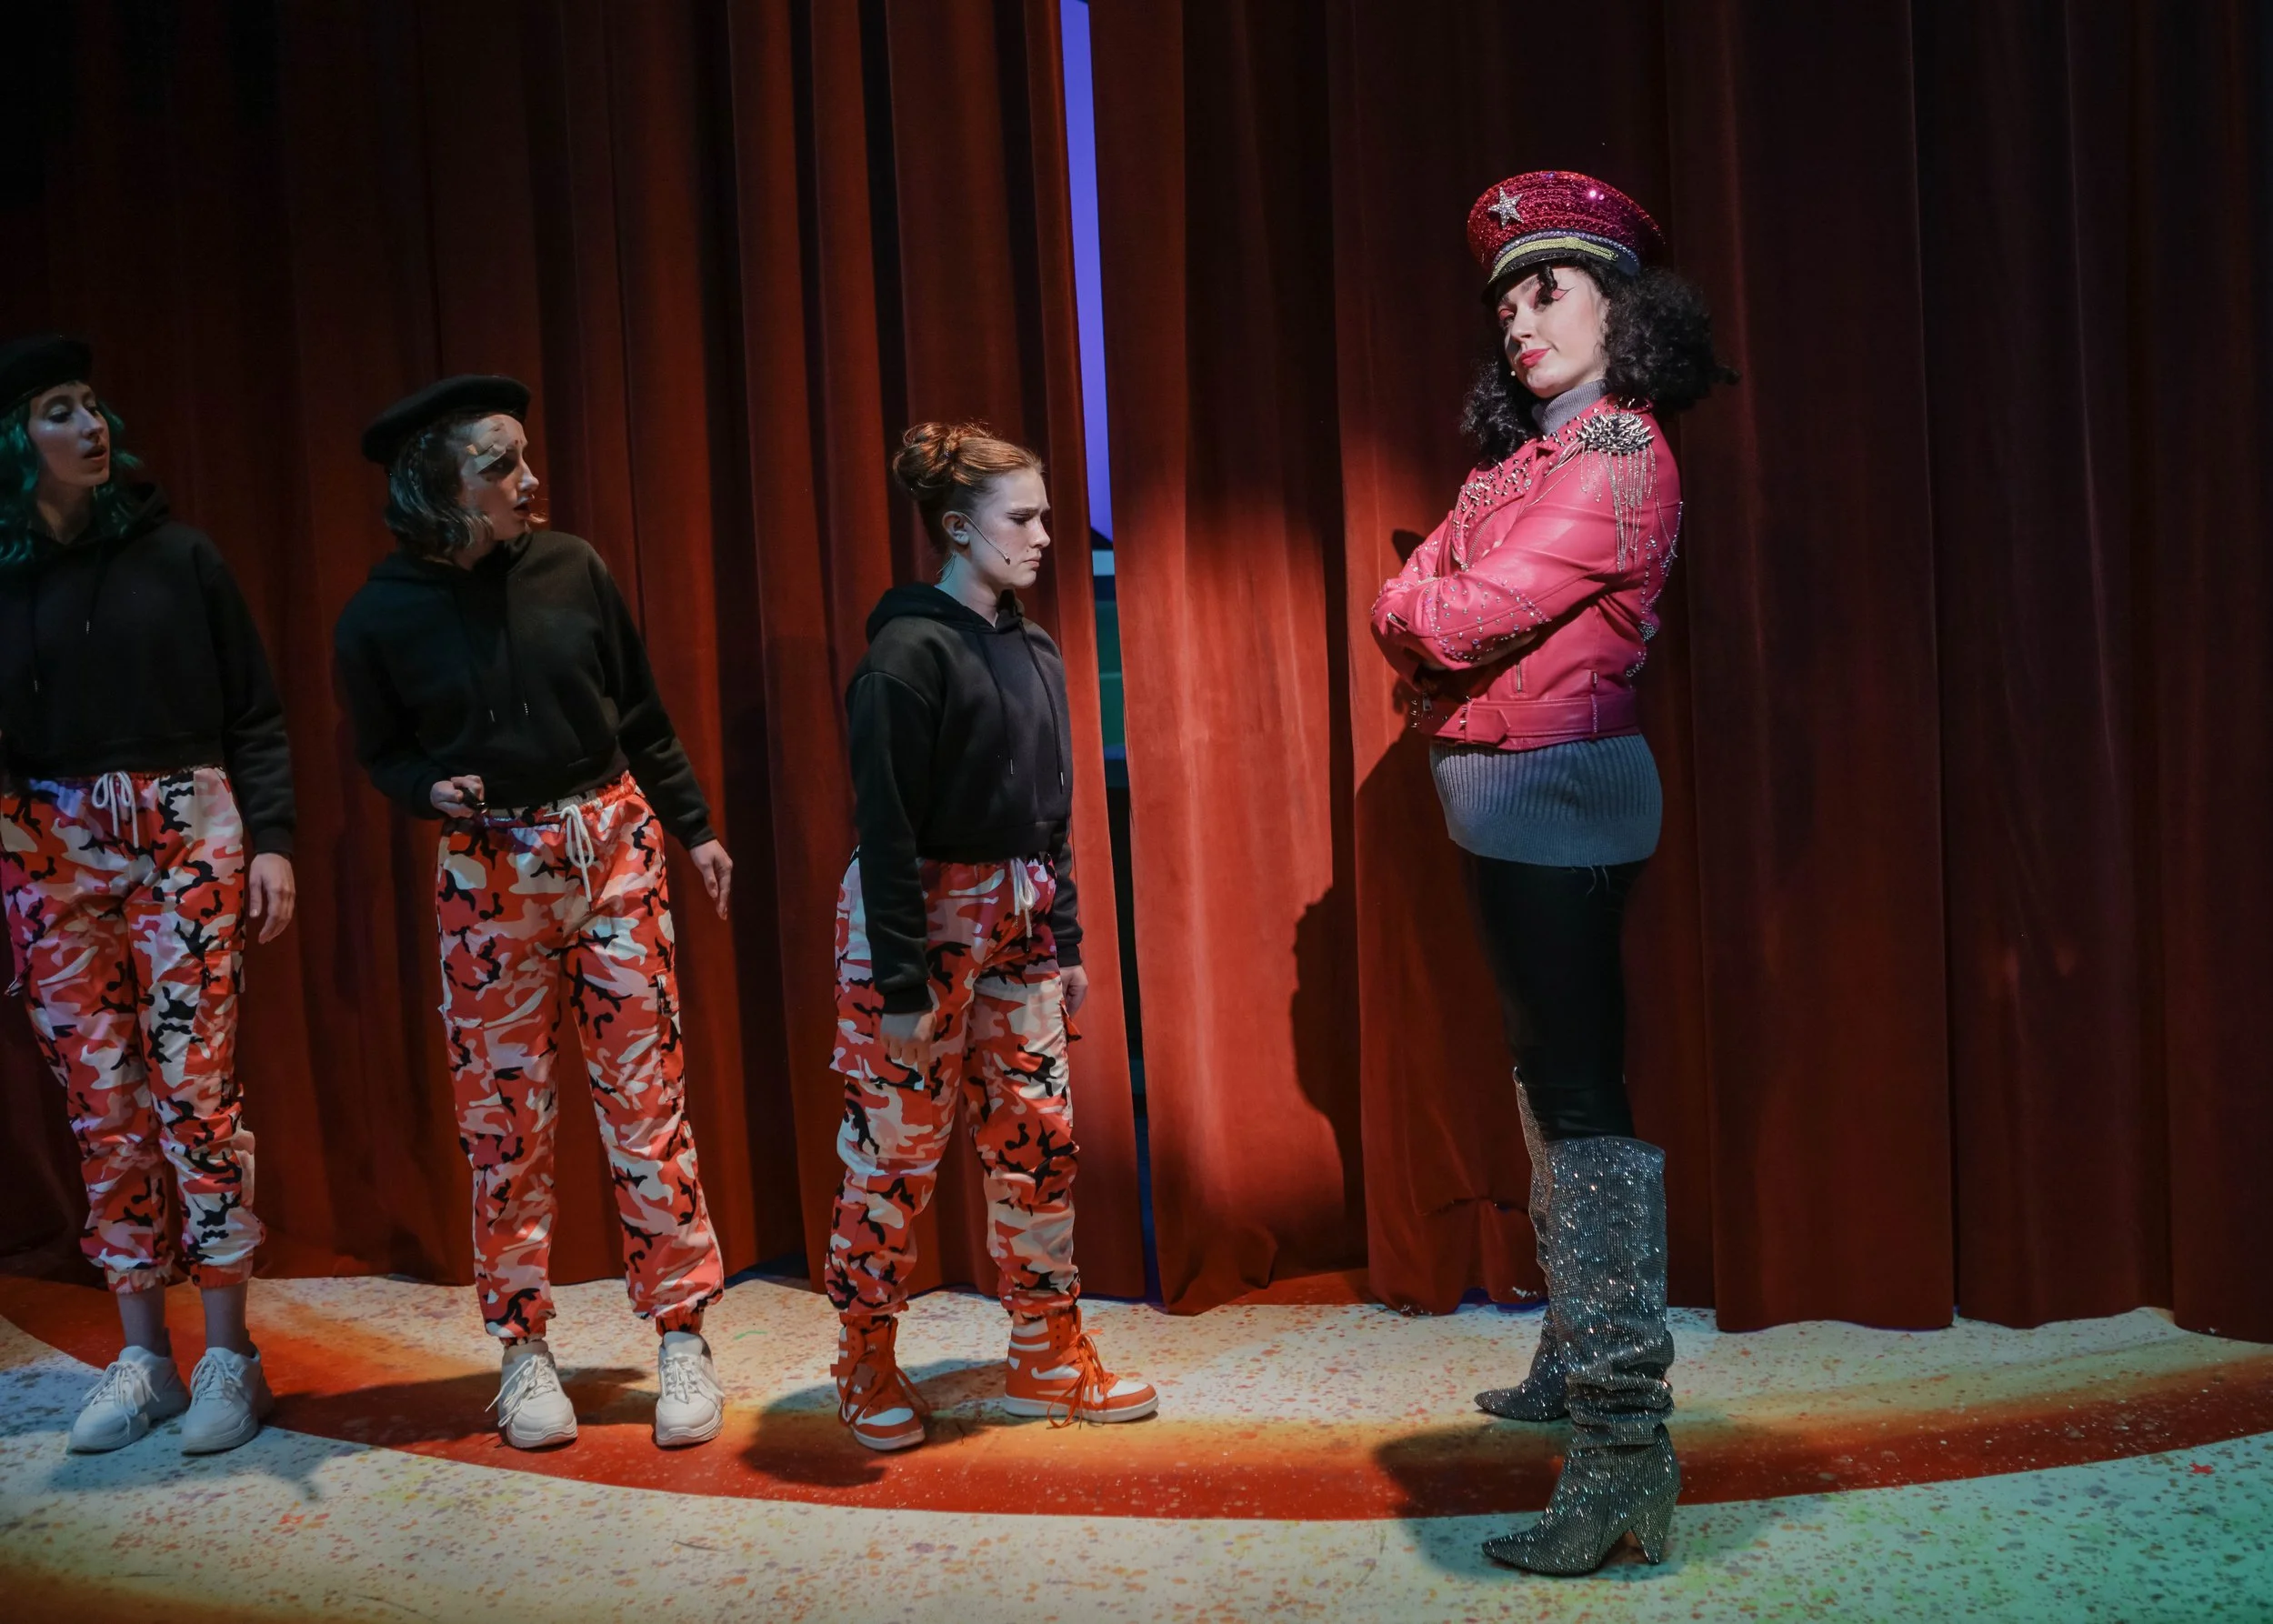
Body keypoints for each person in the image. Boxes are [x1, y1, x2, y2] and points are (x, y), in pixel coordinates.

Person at [1370, 173, 1734, 1575]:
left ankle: (1626, 1445)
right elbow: (1431, 591)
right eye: (1507, 299)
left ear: (1621, 311)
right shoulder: (1524, 456)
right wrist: (1422, 598)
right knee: (1541, 1074)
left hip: (1561, 802)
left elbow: (1446, 612)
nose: (1521, 318)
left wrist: (1415, 604)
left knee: (1581, 1101)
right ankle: (1574, 1350)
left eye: (1552, 290)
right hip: (1502, 802)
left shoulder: (1620, 453)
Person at [334, 375, 735, 1452]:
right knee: (503, 1126)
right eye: (500, 463)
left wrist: (695, 831)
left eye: (524, 456)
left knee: (645, 1103)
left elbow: (642, 712)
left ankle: (682, 1334)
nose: (529, 478)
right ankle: (522, 1350)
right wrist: (428, 789)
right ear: (437, 486)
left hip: (609, 844)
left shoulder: (573, 567)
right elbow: (383, 753)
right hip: (488, 870)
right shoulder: (379, 614)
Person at [825, 422, 1157, 1451]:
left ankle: (1044, 1355)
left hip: (1016, 927)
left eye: (1047, 514)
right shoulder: (904, 655)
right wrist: (903, 986)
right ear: (959, 528)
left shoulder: (1037, 647)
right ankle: (863, 1356)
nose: (1047, 534)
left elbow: (1049, 820)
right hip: (919, 925)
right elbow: (885, 832)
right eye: (1025, 517)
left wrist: (1063, 942)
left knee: (1037, 1142)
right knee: (895, 1157)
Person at [0, 334, 295, 1455]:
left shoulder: (180, 556)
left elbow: (255, 709)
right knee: (99, 1098)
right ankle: (144, 1357)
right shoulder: (5, 570)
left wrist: (272, 840)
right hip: (47, 839)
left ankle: (230, 1352)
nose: (91, 426)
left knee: (195, 1090)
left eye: (93, 405)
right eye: (59, 412)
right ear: (15, 443)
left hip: (183, 823)